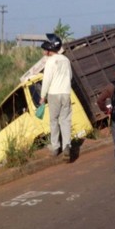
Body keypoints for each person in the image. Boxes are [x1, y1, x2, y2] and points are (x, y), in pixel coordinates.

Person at [39, 34, 73, 162]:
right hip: (66, 93)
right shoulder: (66, 60)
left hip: (54, 94)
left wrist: (42, 96)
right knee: (65, 120)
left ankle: (55, 147)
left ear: (49, 48)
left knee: (54, 121)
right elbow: (70, 77)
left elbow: (46, 80)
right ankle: (66, 146)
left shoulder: (50, 61)